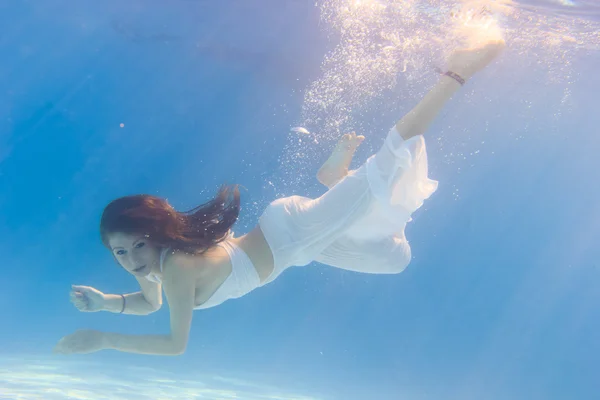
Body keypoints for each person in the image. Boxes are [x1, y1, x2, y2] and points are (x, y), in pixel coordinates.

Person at [54, 38, 505, 356]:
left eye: (138, 244)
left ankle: (456, 72)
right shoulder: (155, 267)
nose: (133, 258)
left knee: (386, 169)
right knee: (394, 257)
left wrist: (102, 338)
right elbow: (149, 302)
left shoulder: (174, 267)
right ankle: (336, 178)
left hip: (295, 234)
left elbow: (175, 346)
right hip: (295, 244)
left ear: (156, 235)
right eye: (121, 251)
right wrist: (107, 302)